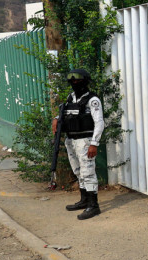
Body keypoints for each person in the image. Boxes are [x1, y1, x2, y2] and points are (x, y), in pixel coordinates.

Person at [53, 68, 104, 220]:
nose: (74, 82)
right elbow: (66, 113)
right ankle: (84, 201)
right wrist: (56, 118)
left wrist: (94, 144)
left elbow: (99, 122)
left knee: (88, 173)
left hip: (85, 141)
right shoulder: (71, 97)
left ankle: (94, 206)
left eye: (78, 80)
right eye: (72, 80)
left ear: (85, 81)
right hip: (71, 140)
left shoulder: (92, 100)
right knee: (78, 171)